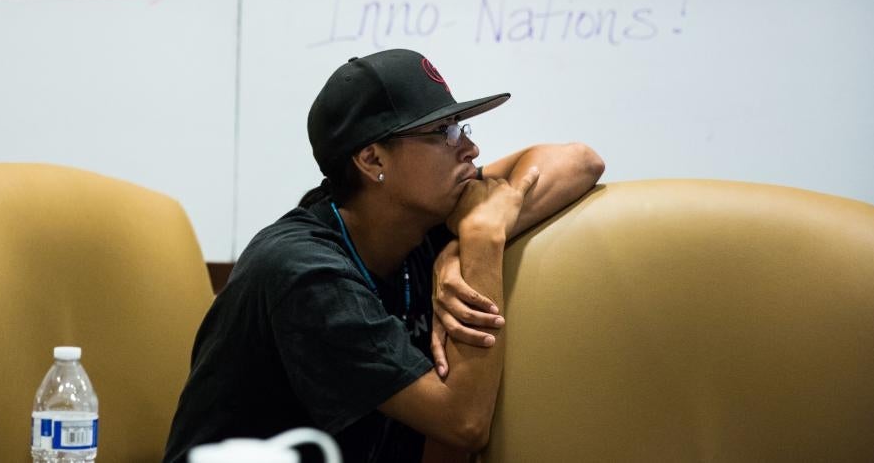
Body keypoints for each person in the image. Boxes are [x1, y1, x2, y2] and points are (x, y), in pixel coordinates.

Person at [163, 49, 604, 463]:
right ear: (373, 158)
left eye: (462, 128)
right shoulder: (305, 272)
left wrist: (454, 248)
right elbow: (464, 423)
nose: (470, 149)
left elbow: (580, 161)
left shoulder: (418, 222)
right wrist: (483, 236)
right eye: (442, 133)